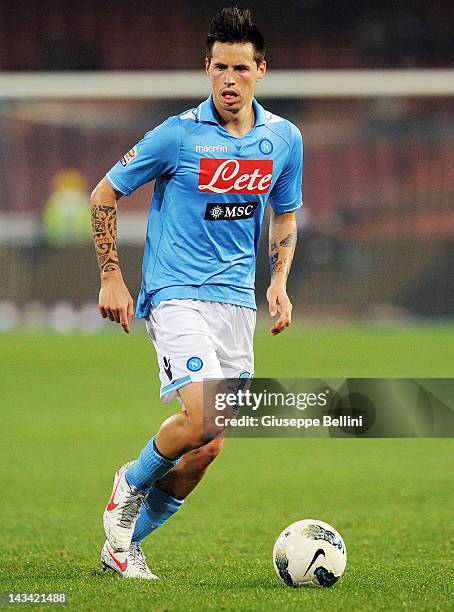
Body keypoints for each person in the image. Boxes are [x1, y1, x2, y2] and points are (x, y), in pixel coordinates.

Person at [91, 6, 303, 579]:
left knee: (207, 447)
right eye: (218, 68)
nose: (228, 79)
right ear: (206, 69)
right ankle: (127, 484)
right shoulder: (176, 135)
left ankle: (125, 545)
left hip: (236, 305)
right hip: (176, 292)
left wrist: (278, 281)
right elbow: (103, 194)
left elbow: (284, 215)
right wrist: (112, 275)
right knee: (202, 415)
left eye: (239, 68)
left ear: (261, 69)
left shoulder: (283, 139)